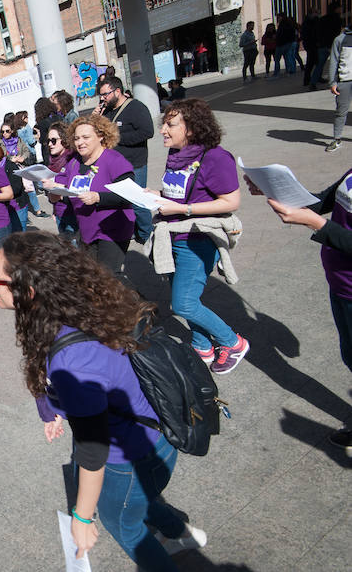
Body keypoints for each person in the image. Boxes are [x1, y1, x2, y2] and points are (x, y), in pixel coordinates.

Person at [0, 231, 207, 571]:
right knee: (142, 501)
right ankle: (182, 533)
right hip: (158, 431)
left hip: (130, 458)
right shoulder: (85, 303)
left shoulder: (72, 361)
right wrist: (54, 408)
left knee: (124, 525)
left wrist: (82, 516)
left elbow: (94, 449)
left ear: (28, 292)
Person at [244, 167, 352, 454]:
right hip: (340, 283)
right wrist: (272, 189)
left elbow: (319, 218)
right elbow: (321, 201)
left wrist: (318, 225)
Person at [151, 98, 248, 374]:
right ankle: (202, 346)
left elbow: (230, 202)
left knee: (183, 303)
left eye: (170, 125)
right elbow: (176, 194)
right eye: (164, 124)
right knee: (186, 298)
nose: (163, 131)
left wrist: (184, 208)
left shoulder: (216, 157)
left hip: (198, 240)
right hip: (171, 237)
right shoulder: (177, 155)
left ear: (191, 128)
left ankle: (233, 342)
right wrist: (152, 195)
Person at [45, 115, 135, 280]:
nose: (80, 142)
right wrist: (54, 193)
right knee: (92, 277)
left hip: (112, 228)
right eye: (77, 138)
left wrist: (98, 197)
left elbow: (130, 195)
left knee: (109, 278)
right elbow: (65, 193)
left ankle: (141, 305)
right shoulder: (73, 163)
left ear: (101, 136)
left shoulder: (114, 160)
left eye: (86, 137)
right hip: (87, 229)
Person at [96, 76, 155, 244]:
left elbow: (147, 132)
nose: (103, 98)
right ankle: (132, 229)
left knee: (137, 202)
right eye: (101, 95)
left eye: (105, 94)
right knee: (120, 201)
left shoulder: (136, 107)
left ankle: (147, 235)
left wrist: (117, 138)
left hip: (134, 163)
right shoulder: (106, 111)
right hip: (114, 165)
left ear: (117, 91)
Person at [326, 25, 352, 153]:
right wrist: (333, 82)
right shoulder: (340, 39)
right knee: (341, 112)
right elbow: (334, 61)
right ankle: (337, 139)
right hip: (345, 80)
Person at [314, 2, 343, 91]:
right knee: (338, 64)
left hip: (322, 45)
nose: (341, 9)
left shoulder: (322, 19)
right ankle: (339, 82)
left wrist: (319, 42)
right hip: (332, 44)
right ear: (336, 9)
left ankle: (313, 83)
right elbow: (337, 33)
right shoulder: (337, 19)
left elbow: (318, 32)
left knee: (319, 65)